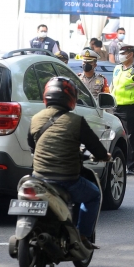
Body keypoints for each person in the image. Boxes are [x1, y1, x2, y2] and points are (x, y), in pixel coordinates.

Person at [27, 77, 111, 250]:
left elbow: (32, 145)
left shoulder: (36, 118)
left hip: (39, 178)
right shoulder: (76, 121)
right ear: (70, 98)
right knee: (93, 195)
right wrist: (105, 156)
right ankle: (82, 236)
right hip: (66, 179)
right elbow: (95, 147)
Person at [110, 44, 134, 175]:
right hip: (116, 107)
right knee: (115, 136)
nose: (120, 55)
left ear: (130, 54)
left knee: (131, 137)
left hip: (131, 107)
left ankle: (131, 166)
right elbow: (112, 87)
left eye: (123, 53)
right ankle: (116, 162)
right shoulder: (117, 68)